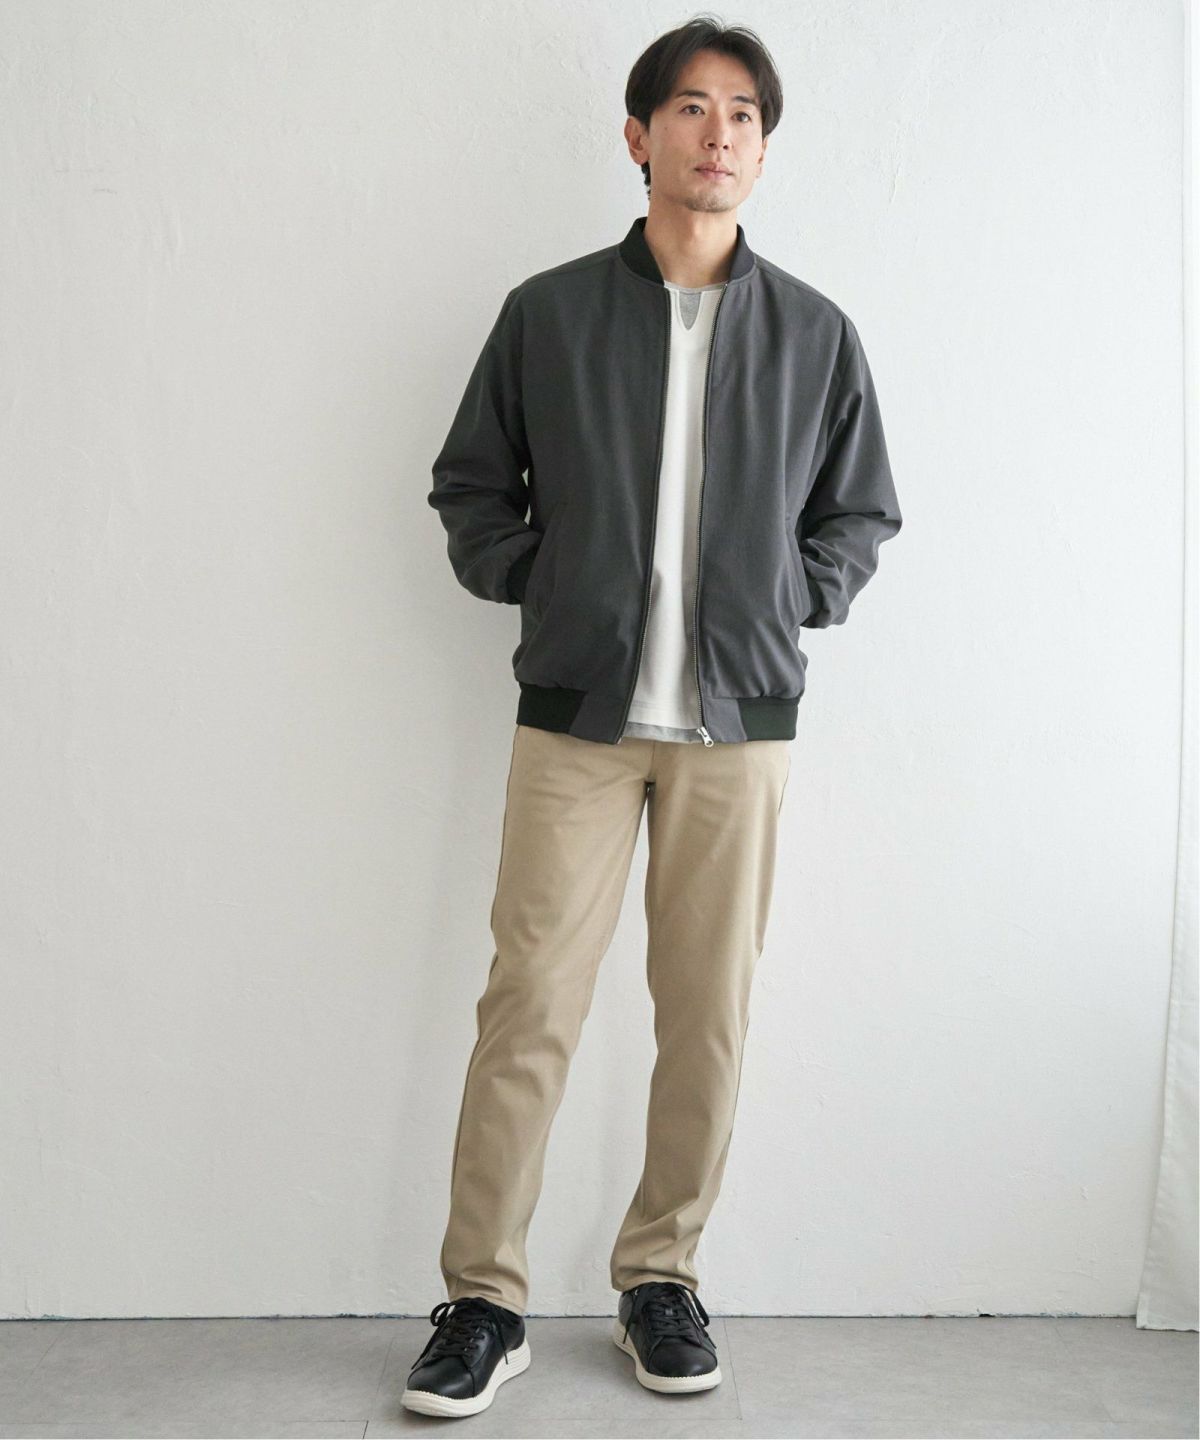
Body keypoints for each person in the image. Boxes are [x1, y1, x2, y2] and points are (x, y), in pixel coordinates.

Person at [405, 14, 903, 1419]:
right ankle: (482, 1299)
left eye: (743, 114)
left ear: (763, 148)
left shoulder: (814, 333)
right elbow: (469, 485)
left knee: (708, 1017)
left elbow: (860, 510)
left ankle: (660, 1276)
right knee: (528, 1006)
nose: (718, 134)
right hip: (576, 718)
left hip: (739, 728)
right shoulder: (550, 313)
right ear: (639, 135)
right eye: (691, 107)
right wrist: (547, 581)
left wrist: (796, 597)